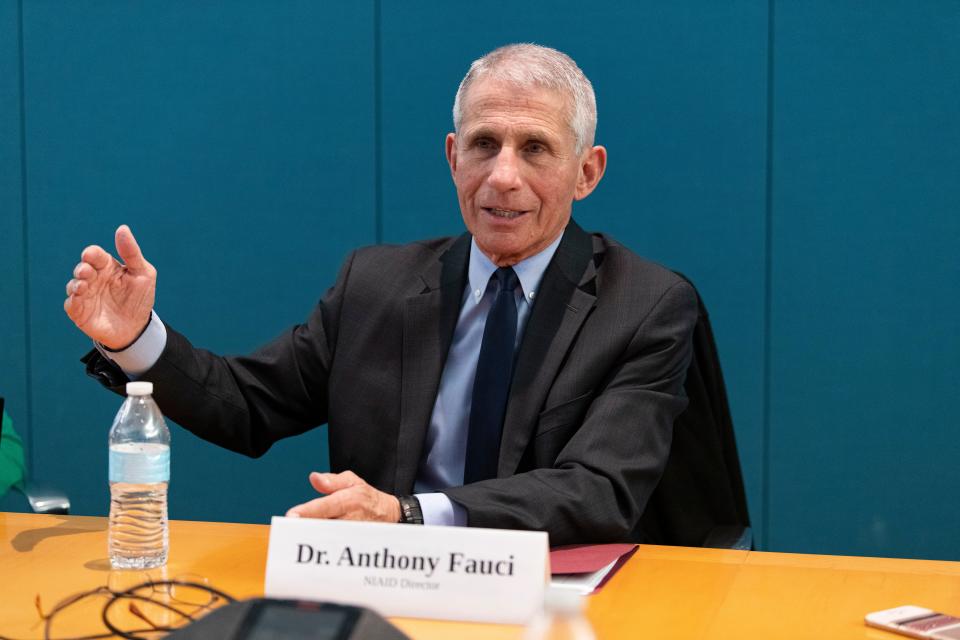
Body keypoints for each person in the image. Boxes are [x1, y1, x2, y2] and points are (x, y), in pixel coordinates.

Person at [64, 44, 697, 545]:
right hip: (386, 589)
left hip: (548, 596)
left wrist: (408, 515)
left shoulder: (644, 305)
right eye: (483, 144)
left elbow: (598, 491)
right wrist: (134, 338)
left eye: (535, 148)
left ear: (587, 172)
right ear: (453, 157)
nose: (503, 176)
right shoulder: (376, 284)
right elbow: (245, 405)